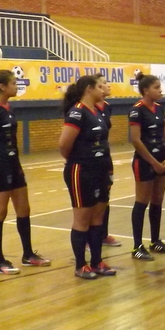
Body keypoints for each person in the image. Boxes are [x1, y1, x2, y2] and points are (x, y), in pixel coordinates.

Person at [0, 70, 50, 274]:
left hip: (14, 164)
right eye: (14, 83)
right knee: (0, 212)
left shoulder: (8, 108)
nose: (17, 86)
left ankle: (28, 254)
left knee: (24, 210)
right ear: (2, 86)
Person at [59, 75, 116, 279]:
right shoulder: (77, 112)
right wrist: (79, 160)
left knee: (98, 216)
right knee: (82, 218)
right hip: (81, 171)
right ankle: (81, 265)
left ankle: (96, 261)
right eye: (99, 87)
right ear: (89, 89)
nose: (103, 89)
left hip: (100, 170)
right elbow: (64, 146)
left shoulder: (98, 112)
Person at [129, 73, 165, 261]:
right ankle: (137, 246)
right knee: (142, 202)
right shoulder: (136, 110)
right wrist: (153, 162)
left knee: (158, 201)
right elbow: (136, 140)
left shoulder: (160, 109)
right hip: (144, 162)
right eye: (156, 87)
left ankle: (155, 240)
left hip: (161, 160)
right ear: (146, 90)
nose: (160, 90)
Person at [94, 74, 121, 247]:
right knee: (92, 199)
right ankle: (91, 236)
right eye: (103, 83)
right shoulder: (86, 109)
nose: (108, 85)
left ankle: (103, 234)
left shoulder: (107, 107)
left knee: (106, 195)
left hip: (105, 156)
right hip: (91, 159)